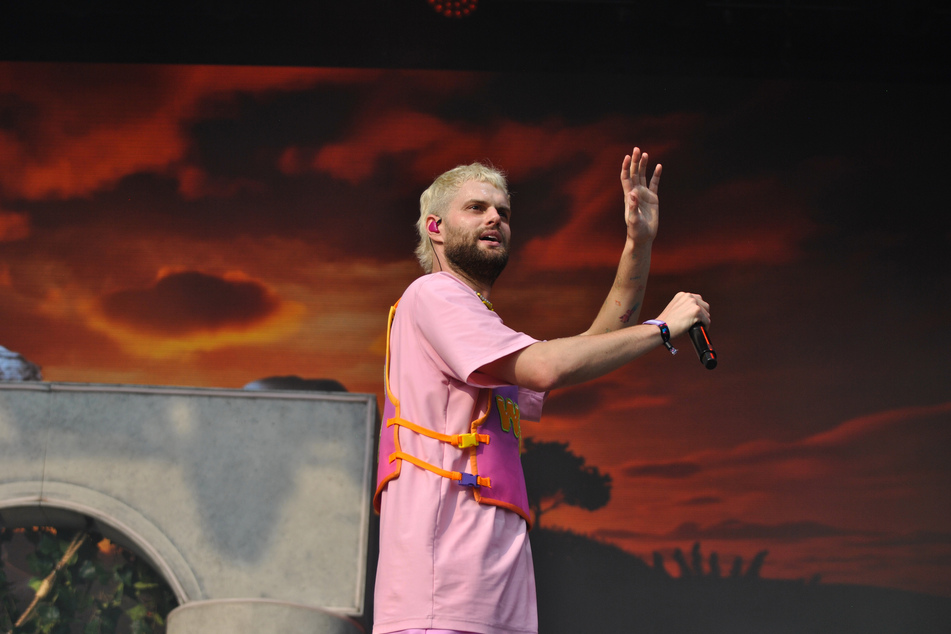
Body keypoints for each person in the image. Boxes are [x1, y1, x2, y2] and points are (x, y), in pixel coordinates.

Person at [372, 148, 710, 634]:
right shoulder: (434, 294)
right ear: (435, 228)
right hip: (442, 596)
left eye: (504, 213)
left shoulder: (479, 321)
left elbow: (592, 347)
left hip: (494, 598)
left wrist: (638, 243)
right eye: (477, 208)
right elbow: (547, 368)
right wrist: (662, 328)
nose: (496, 218)